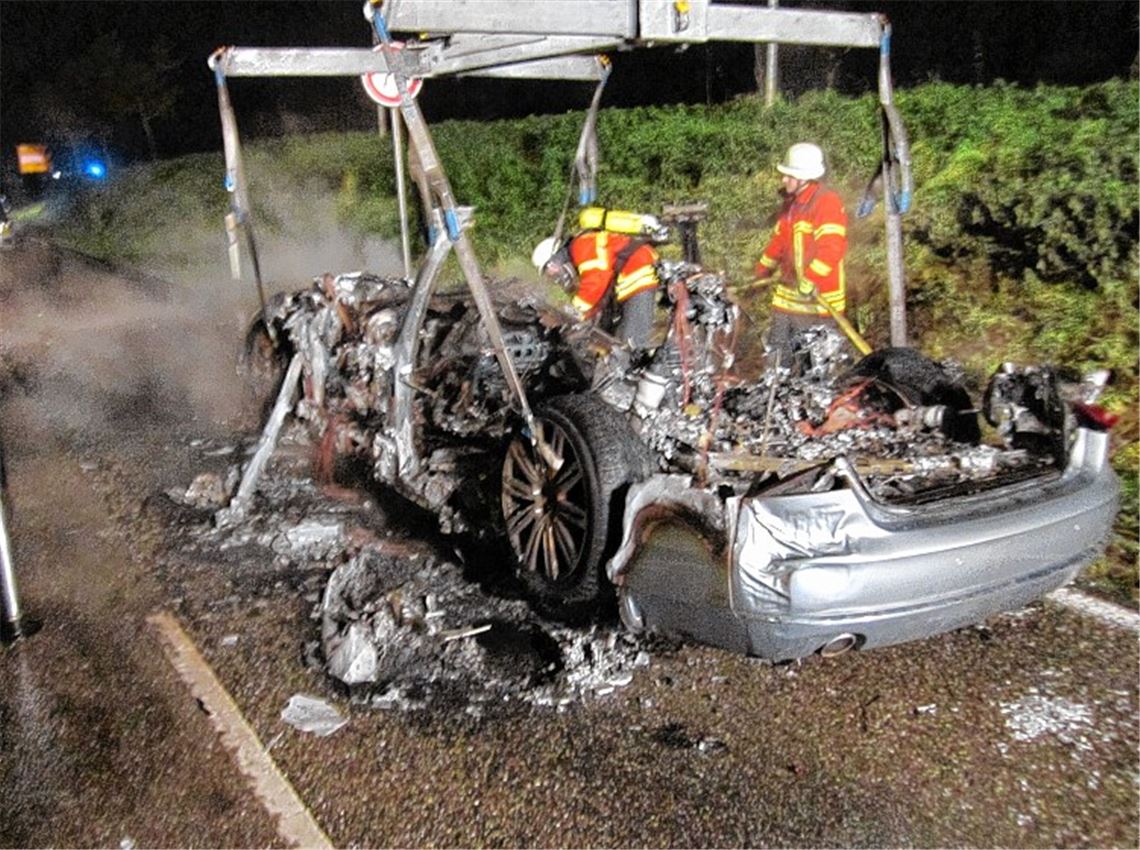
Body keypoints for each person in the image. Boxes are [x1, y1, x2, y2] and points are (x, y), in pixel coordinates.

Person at [752, 142, 849, 364]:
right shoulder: (791, 205)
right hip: (788, 298)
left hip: (818, 303)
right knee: (777, 360)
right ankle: (776, 384)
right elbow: (779, 243)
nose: (783, 180)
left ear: (803, 178)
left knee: (815, 366)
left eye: (789, 176)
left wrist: (810, 279)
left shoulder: (827, 203)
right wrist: (761, 272)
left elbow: (832, 250)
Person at [532, 210, 662, 349]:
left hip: (637, 273)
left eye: (551, 273)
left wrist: (574, 310)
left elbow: (596, 281)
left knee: (631, 344)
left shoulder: (581, 245)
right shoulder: (582, 248)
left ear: (553, 262)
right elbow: (598, 295)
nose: (555, 278)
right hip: (634, 273)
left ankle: (647, 360)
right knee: (618, 337)